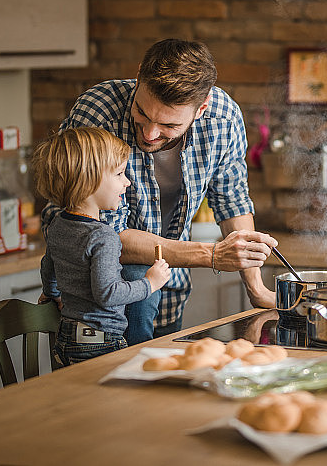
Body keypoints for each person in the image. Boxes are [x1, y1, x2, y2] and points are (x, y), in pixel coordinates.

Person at [42, 38, 277, 345]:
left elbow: (231, 201)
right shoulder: (99, 112)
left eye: (168, 125)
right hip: (97, 310)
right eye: (141, 112)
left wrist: (256, 289)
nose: (150, 133)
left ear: (201, 108)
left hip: (168, 288)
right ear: (139, 74)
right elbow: (103, 235)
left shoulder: (223, 119)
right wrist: (212, 255)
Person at [33, 127, 171, 366]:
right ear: (90, 180)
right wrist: (151, 283)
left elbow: (48, 268)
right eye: (119, 174)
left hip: (66, 338)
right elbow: (108, 294)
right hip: (100, 343)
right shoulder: (103, 236)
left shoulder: (58, 224)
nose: (127, 182)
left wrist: (52, 294)